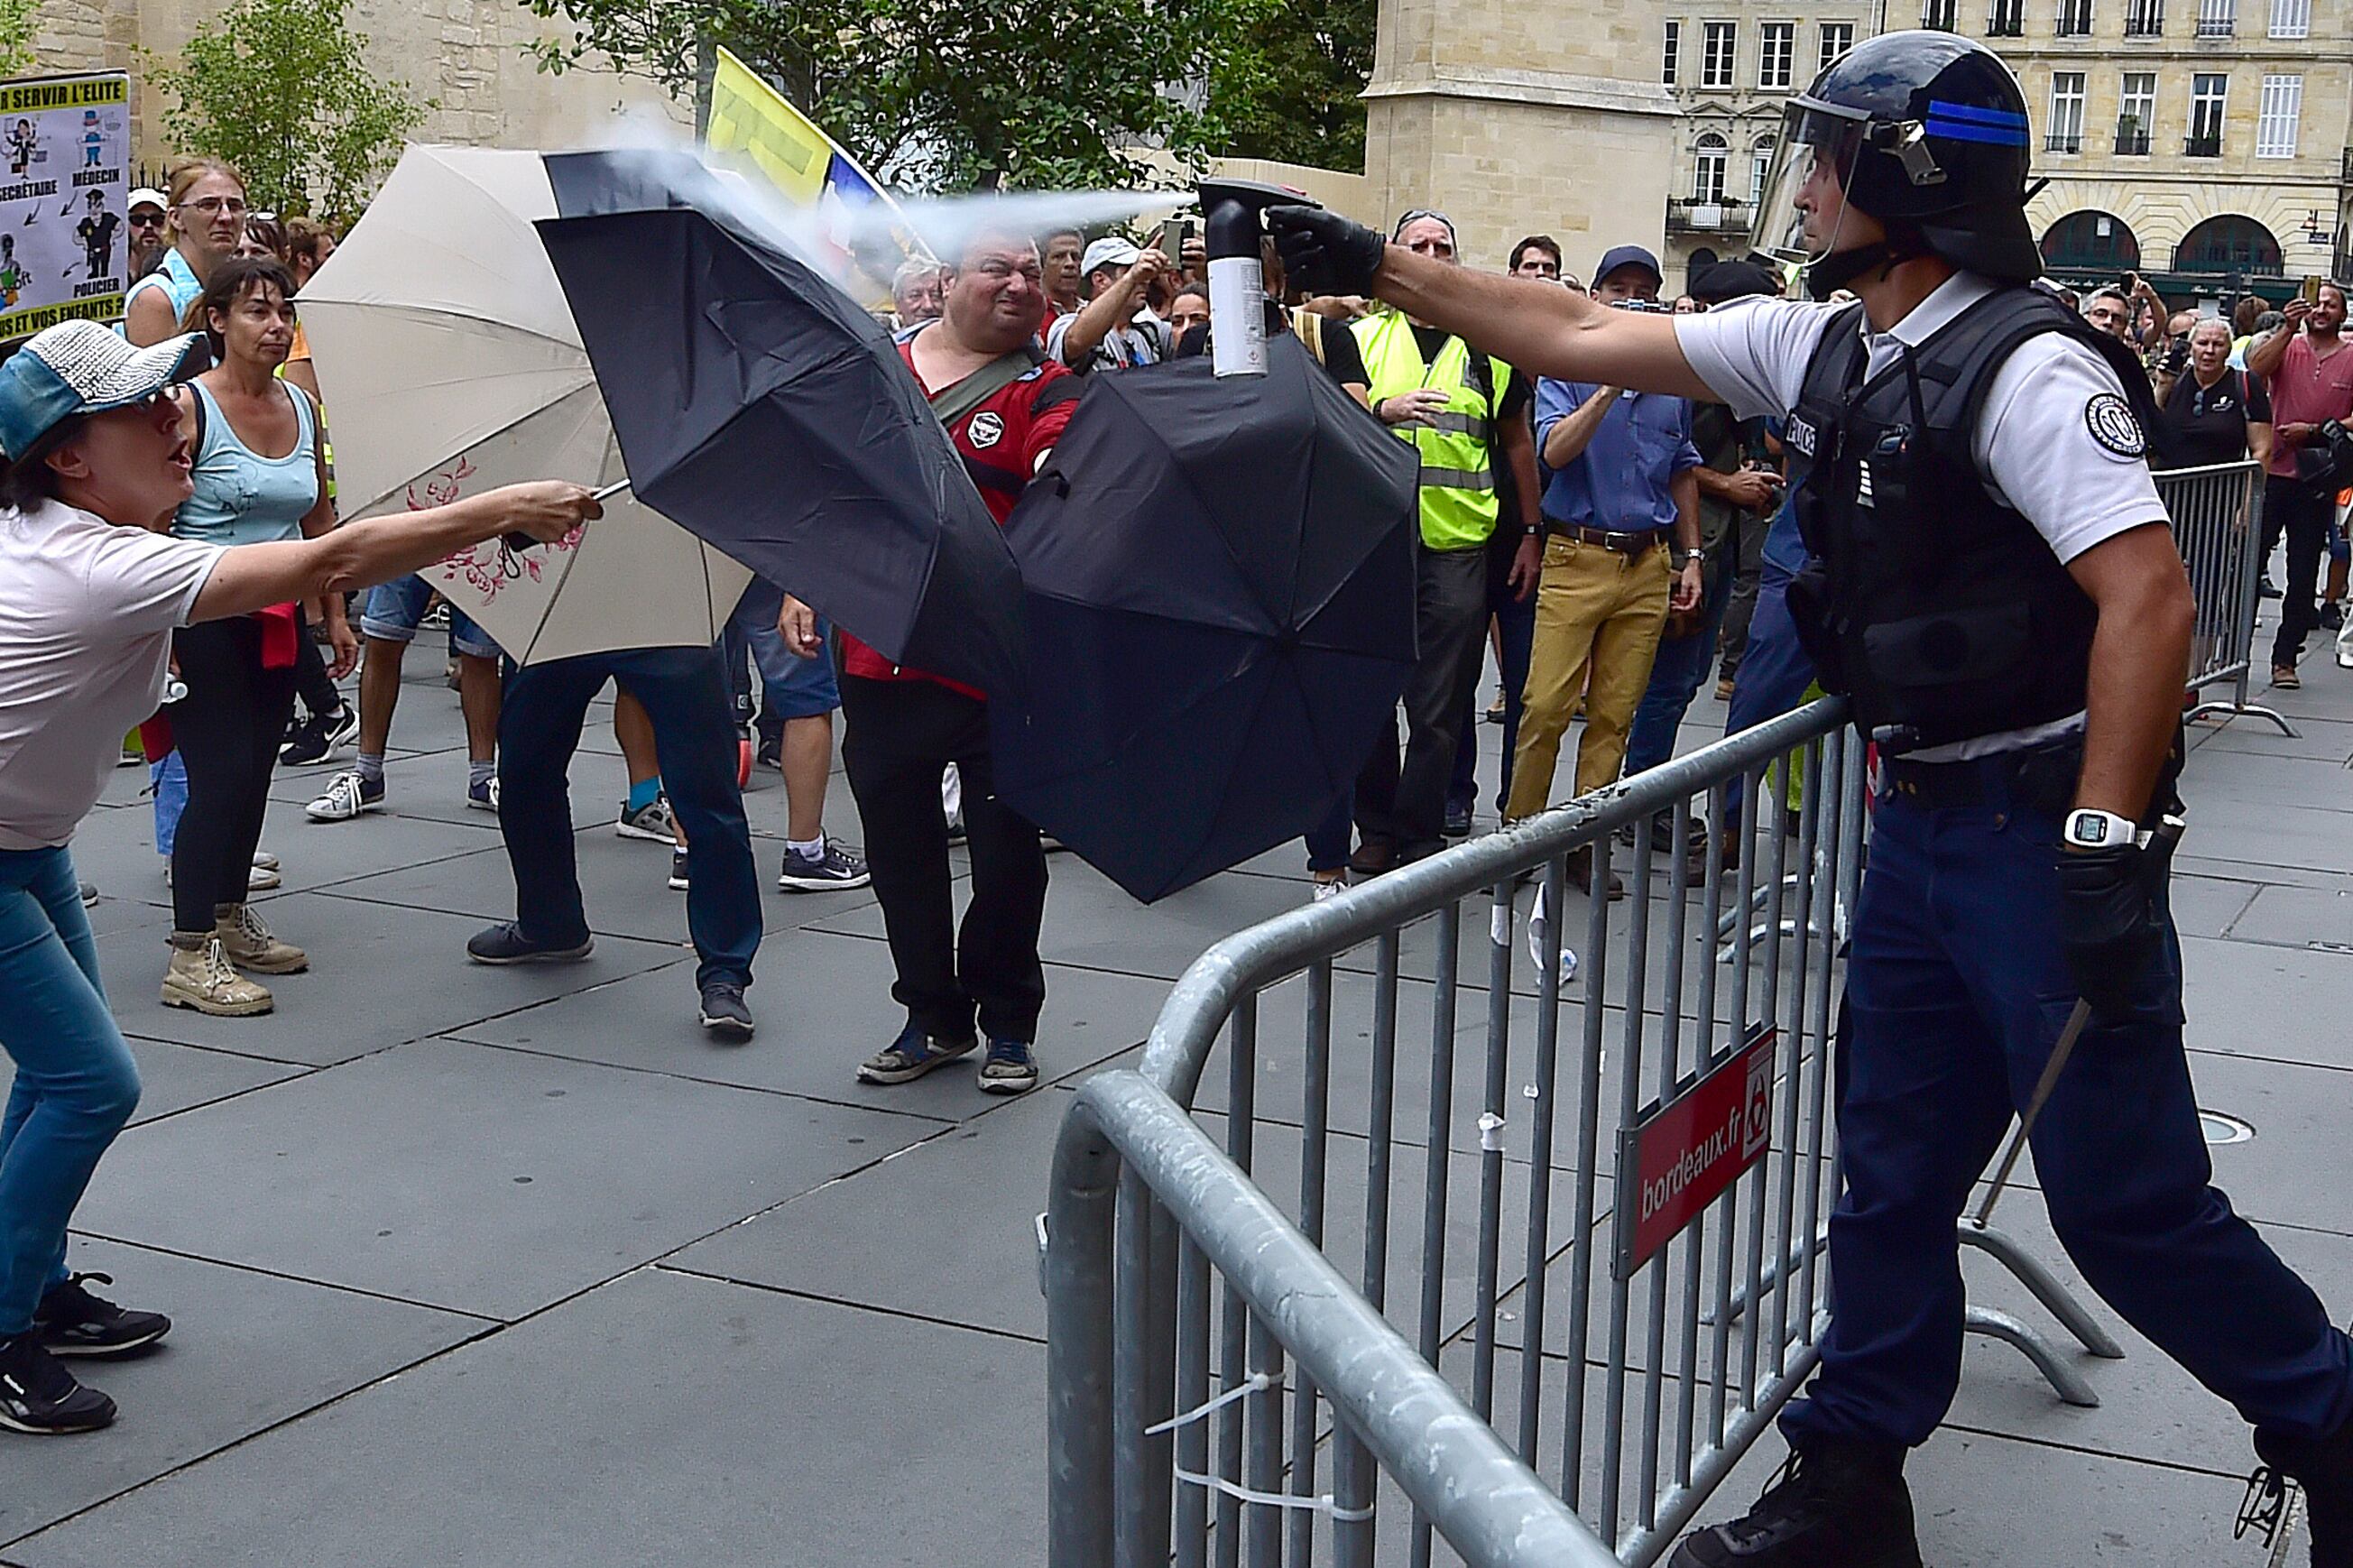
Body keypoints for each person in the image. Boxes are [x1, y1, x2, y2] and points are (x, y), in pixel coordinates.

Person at [1269, 29, 2353, 1564]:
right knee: (1887, 1169)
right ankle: (1849, 1482)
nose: (1799, 180)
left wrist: (2103, 847)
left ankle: (2325, 1415)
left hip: (2034, 835)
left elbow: (2147, 599)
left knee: (2126, 1207)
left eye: (1823, 154)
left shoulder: (2028, 364)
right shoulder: (1821, 341)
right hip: (1914, 826)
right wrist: (1375, 264)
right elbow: (1574, 330)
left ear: (1889, 183)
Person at [0, 317, 595, 1435]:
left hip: (26, 846)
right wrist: (500, 506)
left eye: (170, 395)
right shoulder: (94, 560)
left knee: (52, 1081)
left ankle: (28, 1285)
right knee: (90, 1084)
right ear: (68, 458)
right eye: (141, 406)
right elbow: (327, 561)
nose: (177, 415)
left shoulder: (51, 533)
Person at [788, 226, 1077, 1095]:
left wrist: (1065, 467)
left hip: (996, 661)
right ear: (949, 279)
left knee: (1006, 859)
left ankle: (1008, 1024)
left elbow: (1060, 468)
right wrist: (805, 581)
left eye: (1031, 271)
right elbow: (833, 486)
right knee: (903, 852)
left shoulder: (1048, 384)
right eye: (1000, 268)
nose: (1020, 283)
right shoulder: (880, 371)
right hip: (881, 656)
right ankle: (932, 1016)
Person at [159, 256, 355, 1017]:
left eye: (283, 313)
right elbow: (154, 519)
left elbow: (319, 522)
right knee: (219, 777)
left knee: (255, 776)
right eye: (257, 312)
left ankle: (229, 916)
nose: (276, 327)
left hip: (276, 620)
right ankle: (188, 953)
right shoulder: (189, 408)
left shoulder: (302, 408)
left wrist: (333, 614)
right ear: (217, 321)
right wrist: (158, 633)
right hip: (201, 614)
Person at [1345, 210, 1541, 875]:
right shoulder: (1359, 339)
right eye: (1417, 246)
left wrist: (1532, 533)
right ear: (1394, 259)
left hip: (1458, 547)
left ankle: (1419, 830)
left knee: (1439, 705)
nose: (1431, 255)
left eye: (1443, 247)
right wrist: (1381, 410)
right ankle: (1373, 829)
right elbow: (1326, 423)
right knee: (1367, 700)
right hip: (1370, 548)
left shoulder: (1490, 352)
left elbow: (1517, 445)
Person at [1508, 243, 1703, 895]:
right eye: (1618, 288)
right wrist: (1611, 387)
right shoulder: (1564, 370)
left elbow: (1683, 470)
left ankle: (1583, 844)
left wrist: (1692, 554)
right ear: (1595, 298)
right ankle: (1519, 838)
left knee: (1615, 715)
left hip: (1646, 561)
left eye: (1642, 291)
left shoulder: (1672, 382)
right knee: (1545, 706)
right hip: (1577, 553)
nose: (1631, 300)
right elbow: (1554, 452)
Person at [469, 631, 761, 1037]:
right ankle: (550, 922)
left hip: (663, 613)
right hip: (568, 613)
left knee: (706, 794)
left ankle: (725, 971)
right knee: (524, 771)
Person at [1625, 263, 1781, 780]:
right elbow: (1666, 455)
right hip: (1684, 542)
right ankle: (1640, 798)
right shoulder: (1680, 371)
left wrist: (1754, 481)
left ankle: (1645, 793)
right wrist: (1728, 485)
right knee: (1667, 681)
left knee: (1687, 677)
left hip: (1724, 543)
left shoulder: (1739, 369)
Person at [717, 576, 870, 890]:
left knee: (690, 691)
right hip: (767, 545)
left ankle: (692, 851)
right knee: (805, 696)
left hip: (692, 540)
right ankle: (806, 851)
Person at [2246, 281, 2353, 688]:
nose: (2321, 309)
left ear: (2343, 315)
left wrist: (2315, 430)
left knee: (2304, 569)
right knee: (2250, 563)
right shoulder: (2287, 344)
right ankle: (2233, 647)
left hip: (2317, 476)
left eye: (2331, 305)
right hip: (2272, 472)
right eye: (2317, 303)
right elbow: (2254, 373)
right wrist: (2287, 330)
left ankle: (2285, 659)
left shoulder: (2351, 355)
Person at [124, 159, 245, 349]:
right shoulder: (155, 299)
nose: (225, 217)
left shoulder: (242, 288)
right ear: (175, 218)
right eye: (208, 205)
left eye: (235, 206)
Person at [1046, 236, 1172, 374]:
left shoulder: (1151, 333)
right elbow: (1075, 341)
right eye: (1128, 270)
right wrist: (1131, 278)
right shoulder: (1066, 324)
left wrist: (1196, 273)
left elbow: (1195, 339)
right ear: (1100, 280)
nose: (1144, 280)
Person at [1039, 226, 1085, 332]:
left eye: (1075, 257)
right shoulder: (1030, 316)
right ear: (1042, 263)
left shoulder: (1093, 311)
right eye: (1059, 256)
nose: (1070, 263)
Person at [125, 188, 167, 281]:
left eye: (157, 219)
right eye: (138, 219)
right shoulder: (115, 269)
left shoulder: (177, 267)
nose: (148, 226)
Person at [890, 258, 944, 330]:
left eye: (935, 296)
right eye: (915, 296)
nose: (928, 306)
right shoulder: (888, 341)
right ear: (898, 303)